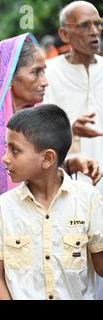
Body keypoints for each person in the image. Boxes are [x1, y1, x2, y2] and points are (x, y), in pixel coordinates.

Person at [0, 33, 102, 300]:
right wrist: (12, 228)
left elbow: (43, 165)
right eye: (36, 72)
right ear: (9, 77)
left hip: (53, 240)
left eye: (45, 71)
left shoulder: (43, 115)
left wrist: (69, 163)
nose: (45, 81)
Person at [0, 105, 103, 300]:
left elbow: (100, 266)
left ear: (47, 158)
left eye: (15, 150)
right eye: (6, 147)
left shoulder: (88, 200)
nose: (5, 158)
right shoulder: (4, 208)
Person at [43, 1, 103, 298]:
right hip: (69, 187)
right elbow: (39, 131)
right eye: (84, 26)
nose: (95, 32)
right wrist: (69, 129)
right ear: (64, 34)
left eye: (97, 24)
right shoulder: (48, 73)